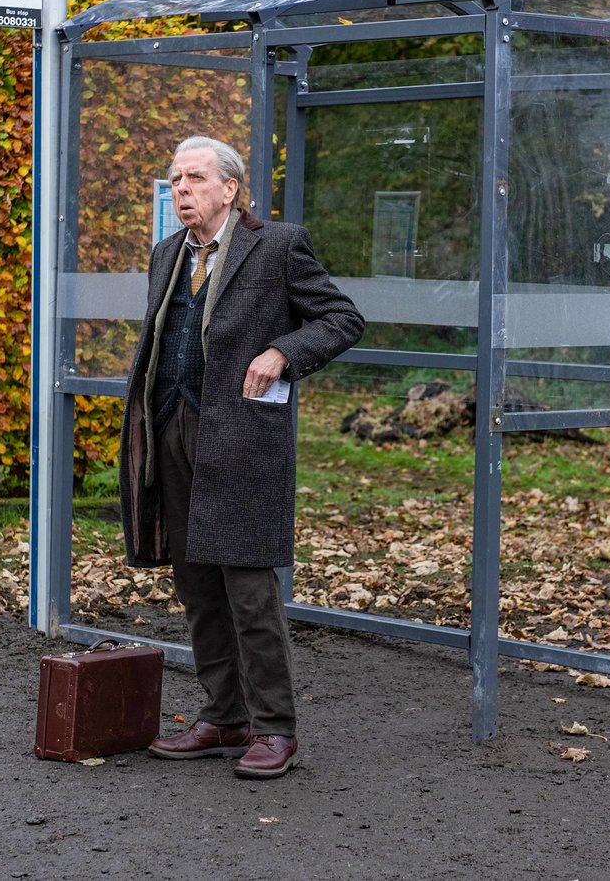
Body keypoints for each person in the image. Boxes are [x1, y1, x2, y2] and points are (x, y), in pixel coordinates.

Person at [119, 135, 363, 780]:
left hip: (241, 439)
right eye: (175, 181)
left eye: (195, 180)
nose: (182, 192)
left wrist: (283, 351)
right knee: (197, 584)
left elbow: (341, 319)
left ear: (230, 189)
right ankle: (224, 714)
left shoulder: (279, 246)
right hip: (169, 425)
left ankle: (274, 728)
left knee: (249, 588)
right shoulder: (167, 253)